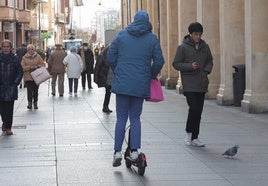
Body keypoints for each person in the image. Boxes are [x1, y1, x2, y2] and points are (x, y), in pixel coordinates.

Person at [107, 10, 165, 167]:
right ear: (147, 21)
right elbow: (159, 61)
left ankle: (117, 152)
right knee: (135, 118)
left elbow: (110, 57)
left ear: (133, 20)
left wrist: (119, 70)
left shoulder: (121, 35)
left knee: (121, 117)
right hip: (140, 84)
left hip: (123, 84)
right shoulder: (152, 39)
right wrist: (150, 75)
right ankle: (134, 151)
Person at [172, 22, 213, 147]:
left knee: (198, 111)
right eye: (196, 34)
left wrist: (207, 70)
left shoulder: (205, 47)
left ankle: (195, 137)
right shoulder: (182, 47)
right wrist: (190, 66)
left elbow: (210, 60)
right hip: (189, 83)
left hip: (201, 83)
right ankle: (189, 133)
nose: (198, 37)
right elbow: (176, 64)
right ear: (190, 34)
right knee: (193, 108)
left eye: (200, 34)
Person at [0, 39, 23, 135]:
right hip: (0, 87)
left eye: (7, 47)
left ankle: (8, 127)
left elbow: (20, 72)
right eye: (4, 47)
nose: (6, 49)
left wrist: (15, 83)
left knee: (9, 109)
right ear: (1, 48)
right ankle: (5, 123)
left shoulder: (15, 58)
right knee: (2, 109)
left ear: (10, 48)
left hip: (11, 87)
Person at [21, 44, 45, 109]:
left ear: (34, 50)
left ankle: (35, 103)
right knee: (29, 91)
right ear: (27, 50)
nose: (31, 50)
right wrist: (30, 67)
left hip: (37, 76)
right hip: (28, 77)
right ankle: (29, 104)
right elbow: (22, 67)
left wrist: (37, 66)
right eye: (29, 49)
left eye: (32, 49)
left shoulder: (38, 56)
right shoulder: (24, 57)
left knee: (36, 91)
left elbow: (43, 65)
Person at [94, 46, 114, 113]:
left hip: (112, 77)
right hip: (105, 77)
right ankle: (105, 107)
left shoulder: (113, 57)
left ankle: (106, 106)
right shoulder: (101, 56)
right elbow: (97, 68)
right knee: (108, 92)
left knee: (109, 92)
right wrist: (96, 78)